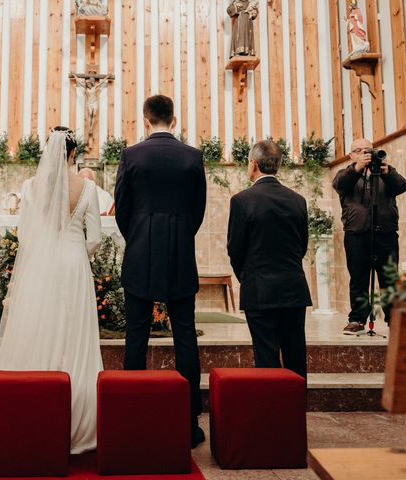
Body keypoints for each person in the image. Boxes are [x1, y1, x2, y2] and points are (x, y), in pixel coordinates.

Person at [0, 127, 104, 457]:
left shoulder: (30, 187)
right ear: (73, 154)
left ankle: (34, 412)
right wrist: (76, 251)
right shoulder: (88, 187)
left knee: (41, 330)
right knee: (75, 336)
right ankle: (81, 420)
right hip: (74, 263)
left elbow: (26, 236)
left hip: (42, 266)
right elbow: (93, 236)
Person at [115, 95, 207, 448]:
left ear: (145, 119)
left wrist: (139, 233)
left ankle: (133, 413)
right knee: (185, 334)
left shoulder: (132, 155)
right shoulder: (192, 156)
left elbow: (122, 206)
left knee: (136, 333)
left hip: (140, 251)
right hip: (181, 251)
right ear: (175, 119)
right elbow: (197, 207)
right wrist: (181, 233)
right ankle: (188, 421)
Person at [227, 140, 311, 379]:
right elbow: (301, 245)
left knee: (266, 356)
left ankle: (270, 413)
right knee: (296, 357)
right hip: (294, 287)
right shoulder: (298, 200)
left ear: (253, 164)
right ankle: (295, 413)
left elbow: (236, 249)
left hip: (259, 288)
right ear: (278, 165)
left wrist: (247, 276)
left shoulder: (242, 200)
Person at [332, 138, 406, 334]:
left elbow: (402, 186)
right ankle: (357, 319)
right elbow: (339, 184)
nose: (367, 154)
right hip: (357, 234)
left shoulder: (384, 171)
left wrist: (387, 172)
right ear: (352, 155)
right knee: (358, 279)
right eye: (361, 150)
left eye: (370, 150)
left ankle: (395, 320)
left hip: (386, 234)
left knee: (389, 280)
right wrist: (357, 168)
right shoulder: (346, 173)